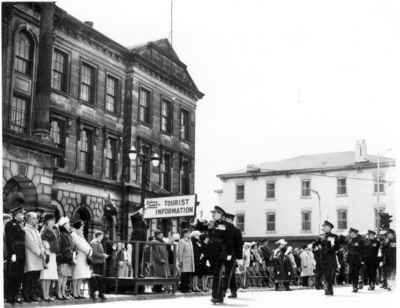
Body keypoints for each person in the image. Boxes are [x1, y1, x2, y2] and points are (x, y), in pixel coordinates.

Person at [208, 206, 233, 304]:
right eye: (212, 213)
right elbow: (209, 239)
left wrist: (229, 253)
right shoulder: (212, 224)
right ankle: (218, 295)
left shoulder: (227, 225)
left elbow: (229, 240)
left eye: (215, 213)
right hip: (212, 253)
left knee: (218, 275)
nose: (213, 215)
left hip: (221, 253)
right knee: (216, 275)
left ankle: (217, 296)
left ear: (220, 214)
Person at [4, 205, 26, 304]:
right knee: (12, 276)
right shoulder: (10, 224)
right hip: (14, 254)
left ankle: (16, 295)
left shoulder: (19, 224)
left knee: (19, 276)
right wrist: (13, 253)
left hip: (21, 254)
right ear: (17, 214)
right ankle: (10, 296)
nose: (23, 216)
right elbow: (10, 240)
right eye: (22, 214)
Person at [23, 211, 46, 302]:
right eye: (34, 218)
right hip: (31, 258)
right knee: (29, 278)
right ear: (28, 219)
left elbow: (40, 243)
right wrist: (40, 253)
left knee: (35, 278)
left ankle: (33, 294)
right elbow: (31, 244)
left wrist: (43, 251)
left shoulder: (36, 230)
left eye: (36, 218)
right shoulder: (25, 230)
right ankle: (26, 295)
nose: (36, 220)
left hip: (38, 258)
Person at [40, 214, 59, 302]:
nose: (53, 222)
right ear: (47, 221)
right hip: (48, 254)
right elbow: (44, 242)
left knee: (49, 276)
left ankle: (47, 294)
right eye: (52, 220)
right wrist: (48, 248)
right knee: (45, 275)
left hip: (52, 254)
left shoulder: (51, 230)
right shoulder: (45, 230)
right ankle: (45, 295)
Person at [71, 220, 92, 299]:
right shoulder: (74, 235)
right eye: (82, 227)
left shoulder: (81, 235)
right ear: (78, 227)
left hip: (83, 258)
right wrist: (88, 251)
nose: (82, 228)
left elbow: (88, 245)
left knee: (81, 276)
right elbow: (79, 245)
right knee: (76, 275)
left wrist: (90, 251)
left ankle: (78, 292)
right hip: (78, 257)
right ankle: (74, 292)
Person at [224, 212, 243, 298]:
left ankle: (223, 291)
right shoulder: (224, 230)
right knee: (230, 275)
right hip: (223, 255)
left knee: (229, 274)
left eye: (227, 219)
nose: (225, 220)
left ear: (230, 220)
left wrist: (239, 258)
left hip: (232, 255)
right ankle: (233, 292)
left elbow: (239, 244)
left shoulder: (236, 230)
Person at [318, 220, 339, 296]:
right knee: (325, 274)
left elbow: (337, 247)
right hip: (323, 258)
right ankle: (327, 288)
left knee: (330, 274)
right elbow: (317, 246)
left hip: (330, 258)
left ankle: (329, 288)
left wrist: (332, 247)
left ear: (330, 228)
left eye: (326, 227)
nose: (324, 228)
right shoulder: (321, 236)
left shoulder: (334, 236)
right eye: (324, 227)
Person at [89, 231, 108, 300]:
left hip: (100, 262)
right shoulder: (94, 242)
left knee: (100, 279)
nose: (102, 237)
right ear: (99, 236)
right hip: (96, 263)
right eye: (102, 236)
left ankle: (100, 293)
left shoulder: (99, 243)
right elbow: (94, 253)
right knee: (95, 279)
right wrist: (103, 255)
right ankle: (92, 293)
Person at [347, 228, 364, 292]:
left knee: (356, 273)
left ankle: (355, 286)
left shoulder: (360, 241)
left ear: (355, 234)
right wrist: (347, 260)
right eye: (350, 233)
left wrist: (362, 259)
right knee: (352, 273)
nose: (350, 234)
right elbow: (349, 251)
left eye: (352, 233)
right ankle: (354, 285)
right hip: (351, 260)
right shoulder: (350, 241)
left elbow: (362, 251)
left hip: (357, 260)